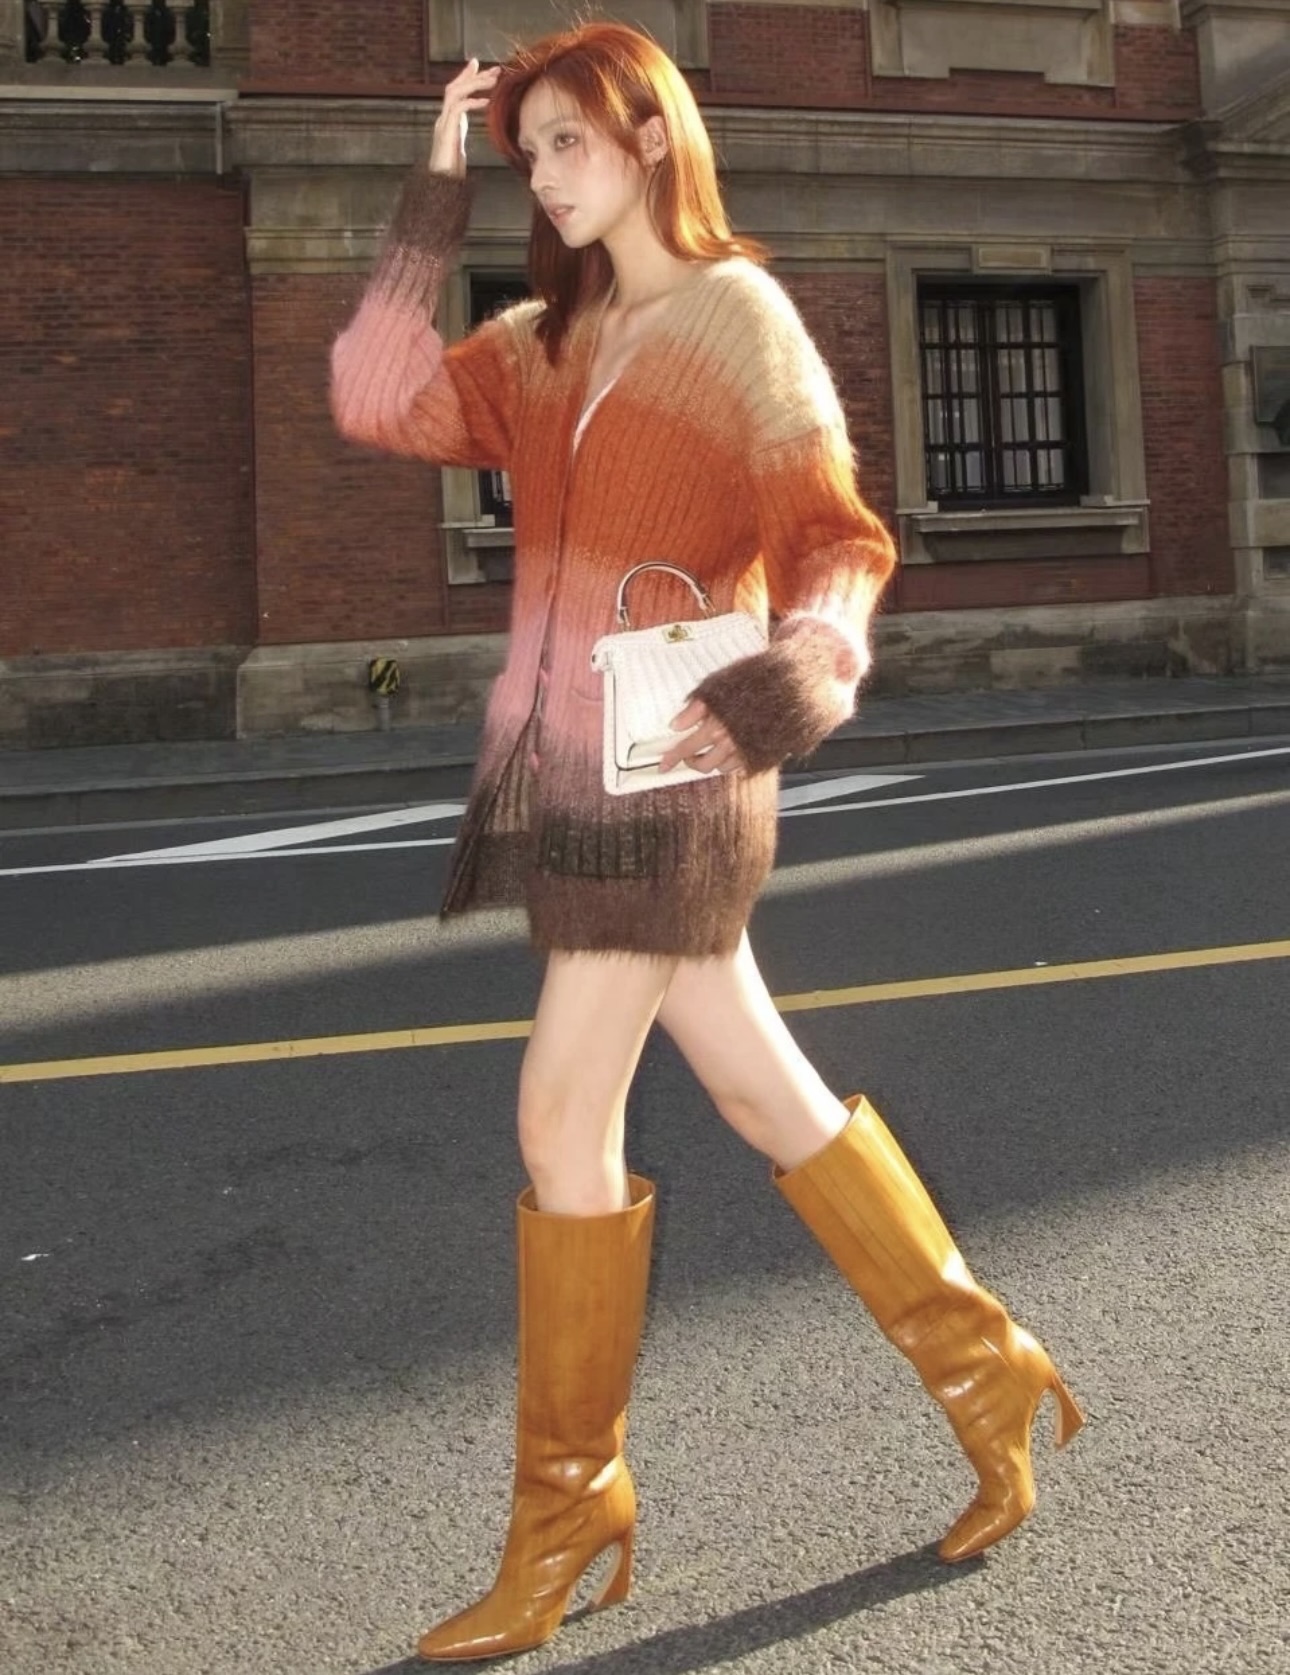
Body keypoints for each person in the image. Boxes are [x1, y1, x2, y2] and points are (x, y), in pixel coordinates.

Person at [330, 23, 1084, 1664]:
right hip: (573, 765)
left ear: (651, 138)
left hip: (685, 760)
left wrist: (795, 678)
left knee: (559, 1114)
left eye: (568, 141)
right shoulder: (543, 342)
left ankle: (567, 1510)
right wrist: (432, 189)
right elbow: (375, 398)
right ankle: (989, 1371)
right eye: (527, 151)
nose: (547, 175)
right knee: (759, 1088)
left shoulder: (739, 317)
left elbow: (836, 541)